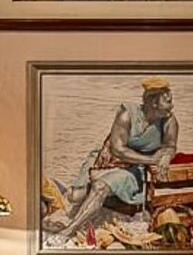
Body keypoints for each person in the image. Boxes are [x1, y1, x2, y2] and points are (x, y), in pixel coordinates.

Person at [44, 76, 179, 242]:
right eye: (168, 101)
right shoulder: (126, 115)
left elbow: (170, 146)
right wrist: (153, 160)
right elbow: (118, 150)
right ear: (154, 102)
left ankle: (68, 231)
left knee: (100, 187)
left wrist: (166, 156)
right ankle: (56, 194)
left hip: (132, 169)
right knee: (75, 196)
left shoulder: (169, 120)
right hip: (104, 160)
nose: (172, 106)